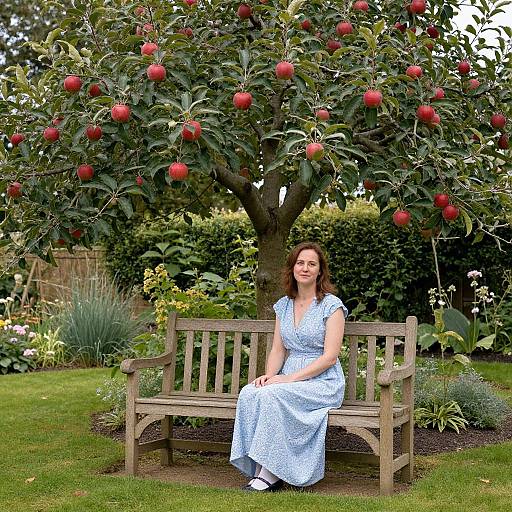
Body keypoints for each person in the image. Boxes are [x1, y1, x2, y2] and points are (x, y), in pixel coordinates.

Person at [229, 241, 348, 491]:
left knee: (273, 395)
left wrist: (287, 379)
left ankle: (269, 475)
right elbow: (278, 349)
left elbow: (330, 357)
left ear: (320, 271)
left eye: (311, 264)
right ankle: (260, 467)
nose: (305, 268)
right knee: (251, 392)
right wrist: (270, 375)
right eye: (300, 263)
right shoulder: (283, 305)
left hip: (322, 381)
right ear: (293, 268)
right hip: (288, 377)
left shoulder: (331, 306)